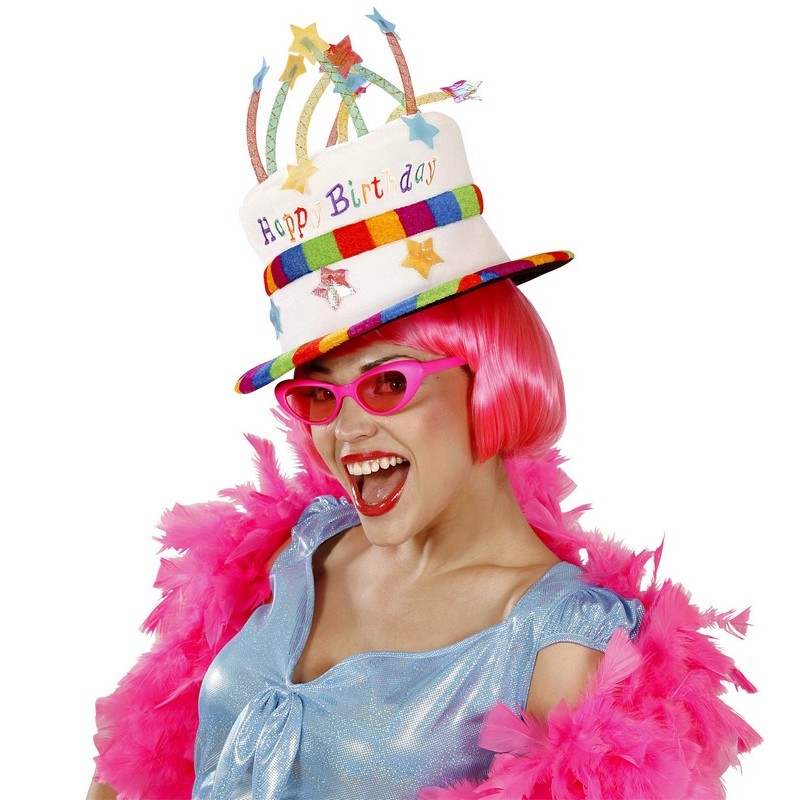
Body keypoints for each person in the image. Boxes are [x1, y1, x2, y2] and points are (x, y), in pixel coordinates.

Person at [88, 15, 759, 800]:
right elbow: (136, 762)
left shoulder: (560, 646)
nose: (345, 428)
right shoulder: (291, 550)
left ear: (488, 374)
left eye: (386, 384)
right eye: (318, 393)